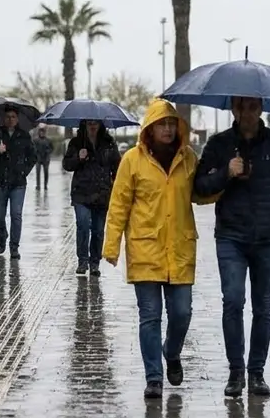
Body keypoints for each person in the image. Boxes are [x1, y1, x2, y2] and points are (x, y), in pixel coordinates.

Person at [104, 99, 219, 399]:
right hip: (145, 249)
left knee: (182, 313)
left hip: (180, 247)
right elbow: (119, 204)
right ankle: (154, 377)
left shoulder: (188, 158)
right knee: (150, 316)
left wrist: (225, 184)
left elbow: (199, 193)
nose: (167, 129)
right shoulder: (132, 160)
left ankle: (172, 351)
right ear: (150, 128)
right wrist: (111, 245)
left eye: (172, 124)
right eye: (162, 124)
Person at [193, 95, 270, 398]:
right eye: (241, 106)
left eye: (253, 106)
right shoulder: (218, 144)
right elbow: (198, 187)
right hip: (231, 236)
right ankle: (235, 372)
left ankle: (257, 373)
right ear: (234, 108)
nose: (247, 112)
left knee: (263, 307)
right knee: (232, 301)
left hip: (268, 239)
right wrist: (225, 172)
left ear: (261, 109)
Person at [61, 119, 120, 277]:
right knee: (83, 224)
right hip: (82, 192)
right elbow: (67, 165)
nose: (93, 126)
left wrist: (116, 185)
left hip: (102, 193)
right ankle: (83, 260)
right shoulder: (76, 142)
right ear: (84, 125)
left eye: (95, 123)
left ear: (100, 125)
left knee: (98, 230)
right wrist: (78, 158)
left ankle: (95, 263)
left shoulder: (109, 143)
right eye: (89, 123)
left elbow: (117, 167)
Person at [0, 106, 35, 259]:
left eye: (13, 117)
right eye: (7, 117)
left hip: (18, 183)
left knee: (16, 215)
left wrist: (23, 171)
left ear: (17, 119)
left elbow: (33, 157)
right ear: (3, 118)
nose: (10, 119)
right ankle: (2, 234)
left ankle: (14, 247)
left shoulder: (24, 136)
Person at [32, 124, 55, 191]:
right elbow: (33, 148)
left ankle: (45, 185)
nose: (41, 133)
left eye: (43, 132)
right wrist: (36, 153)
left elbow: (52, 148)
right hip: (38, 159)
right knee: (38, 173)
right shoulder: (35, 140)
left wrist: (48, 151)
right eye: (40, 132)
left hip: (46, 159)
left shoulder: (48, 140)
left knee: (46, 173)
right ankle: (38, 185)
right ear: (39, 132)